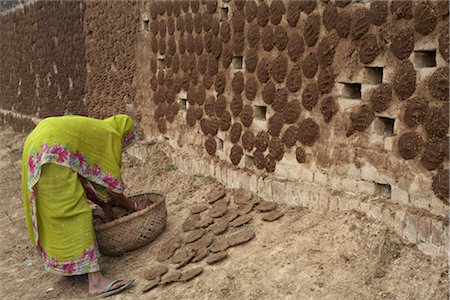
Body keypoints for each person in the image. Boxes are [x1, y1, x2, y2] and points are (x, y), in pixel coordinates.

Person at [21, 114, 144, 297]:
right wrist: (133, 206)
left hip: (37, 147)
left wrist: (105, 207)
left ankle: (71, 268)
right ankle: (96, 282)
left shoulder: (94, 129)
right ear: (124, 134)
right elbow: (112, 187)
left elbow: (84, 177)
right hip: (51, 151)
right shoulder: (109, 135)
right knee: (74, 213)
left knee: (54, 211)